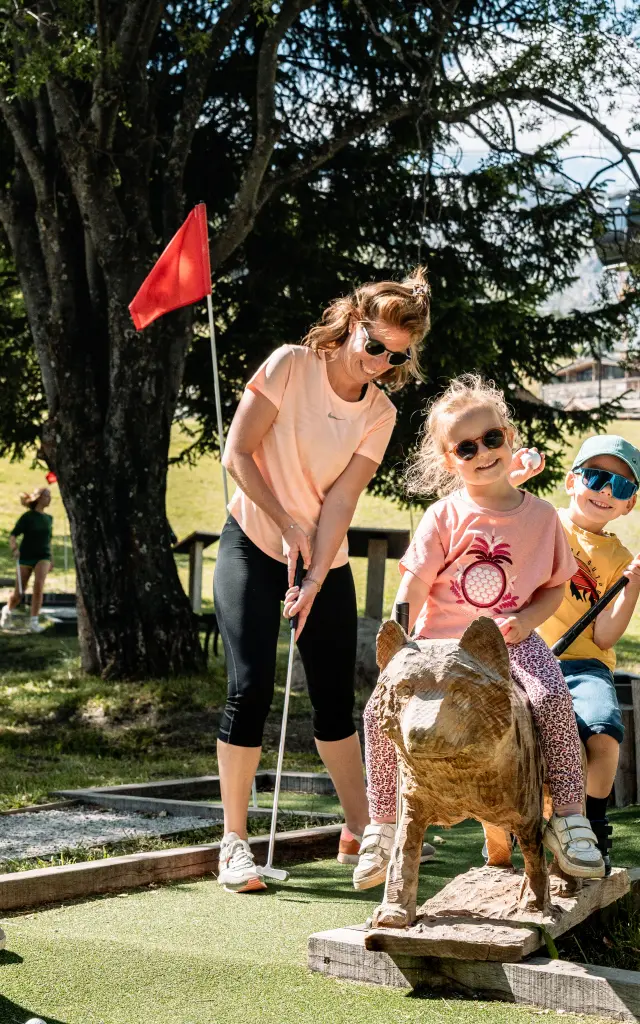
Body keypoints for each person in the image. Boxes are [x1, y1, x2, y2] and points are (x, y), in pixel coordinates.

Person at [214, 269, 432, 893]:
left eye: (396, 357)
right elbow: (238, 451)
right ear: (352, 323)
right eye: (375, 348)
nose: (381, 364)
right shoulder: (289, 365)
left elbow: (340, 503)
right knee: (250, 686)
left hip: (322, 561)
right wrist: (284, 523)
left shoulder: (381, 413)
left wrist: (312, 577)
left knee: (337, 702)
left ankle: (364, 831)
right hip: (252, 544)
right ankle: (234, 842)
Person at [354, 374, 604, 890]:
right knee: (377, 710)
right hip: (438, 648)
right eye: (466, 447)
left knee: (554, 697)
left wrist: (526, 623)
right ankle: (380, 821)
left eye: (491, 438)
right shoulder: (445, 515)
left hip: (512, 644)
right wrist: (403, 644)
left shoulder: (541, 518)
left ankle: (571, 818)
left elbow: (554, 589)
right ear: (450, 460)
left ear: (509, 437)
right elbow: (414, 585)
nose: (483, 452)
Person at [538, 436, 640, 873]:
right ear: (570, 481)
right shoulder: (542, 522)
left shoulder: (619, 558)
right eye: (596, 477)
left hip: (584, 665)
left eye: (619, 487)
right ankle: (508, 830)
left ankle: (593, 824)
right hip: (528, 656)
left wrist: (633, 587)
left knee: (602, 733)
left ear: (629, 504)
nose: (604, 491)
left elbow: (605, 636)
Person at [1, 487, 53, 633]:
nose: (50, 498)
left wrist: (52, 559)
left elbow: (48, 540)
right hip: (26, 557)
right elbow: (13, 535)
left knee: (38, 587)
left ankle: (34, 622)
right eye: (47, 496)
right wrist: (14, 549)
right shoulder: (27, 517)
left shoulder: (49, 518)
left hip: (43, 556)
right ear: (39, 498)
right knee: (19, 593)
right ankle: (7, 611)